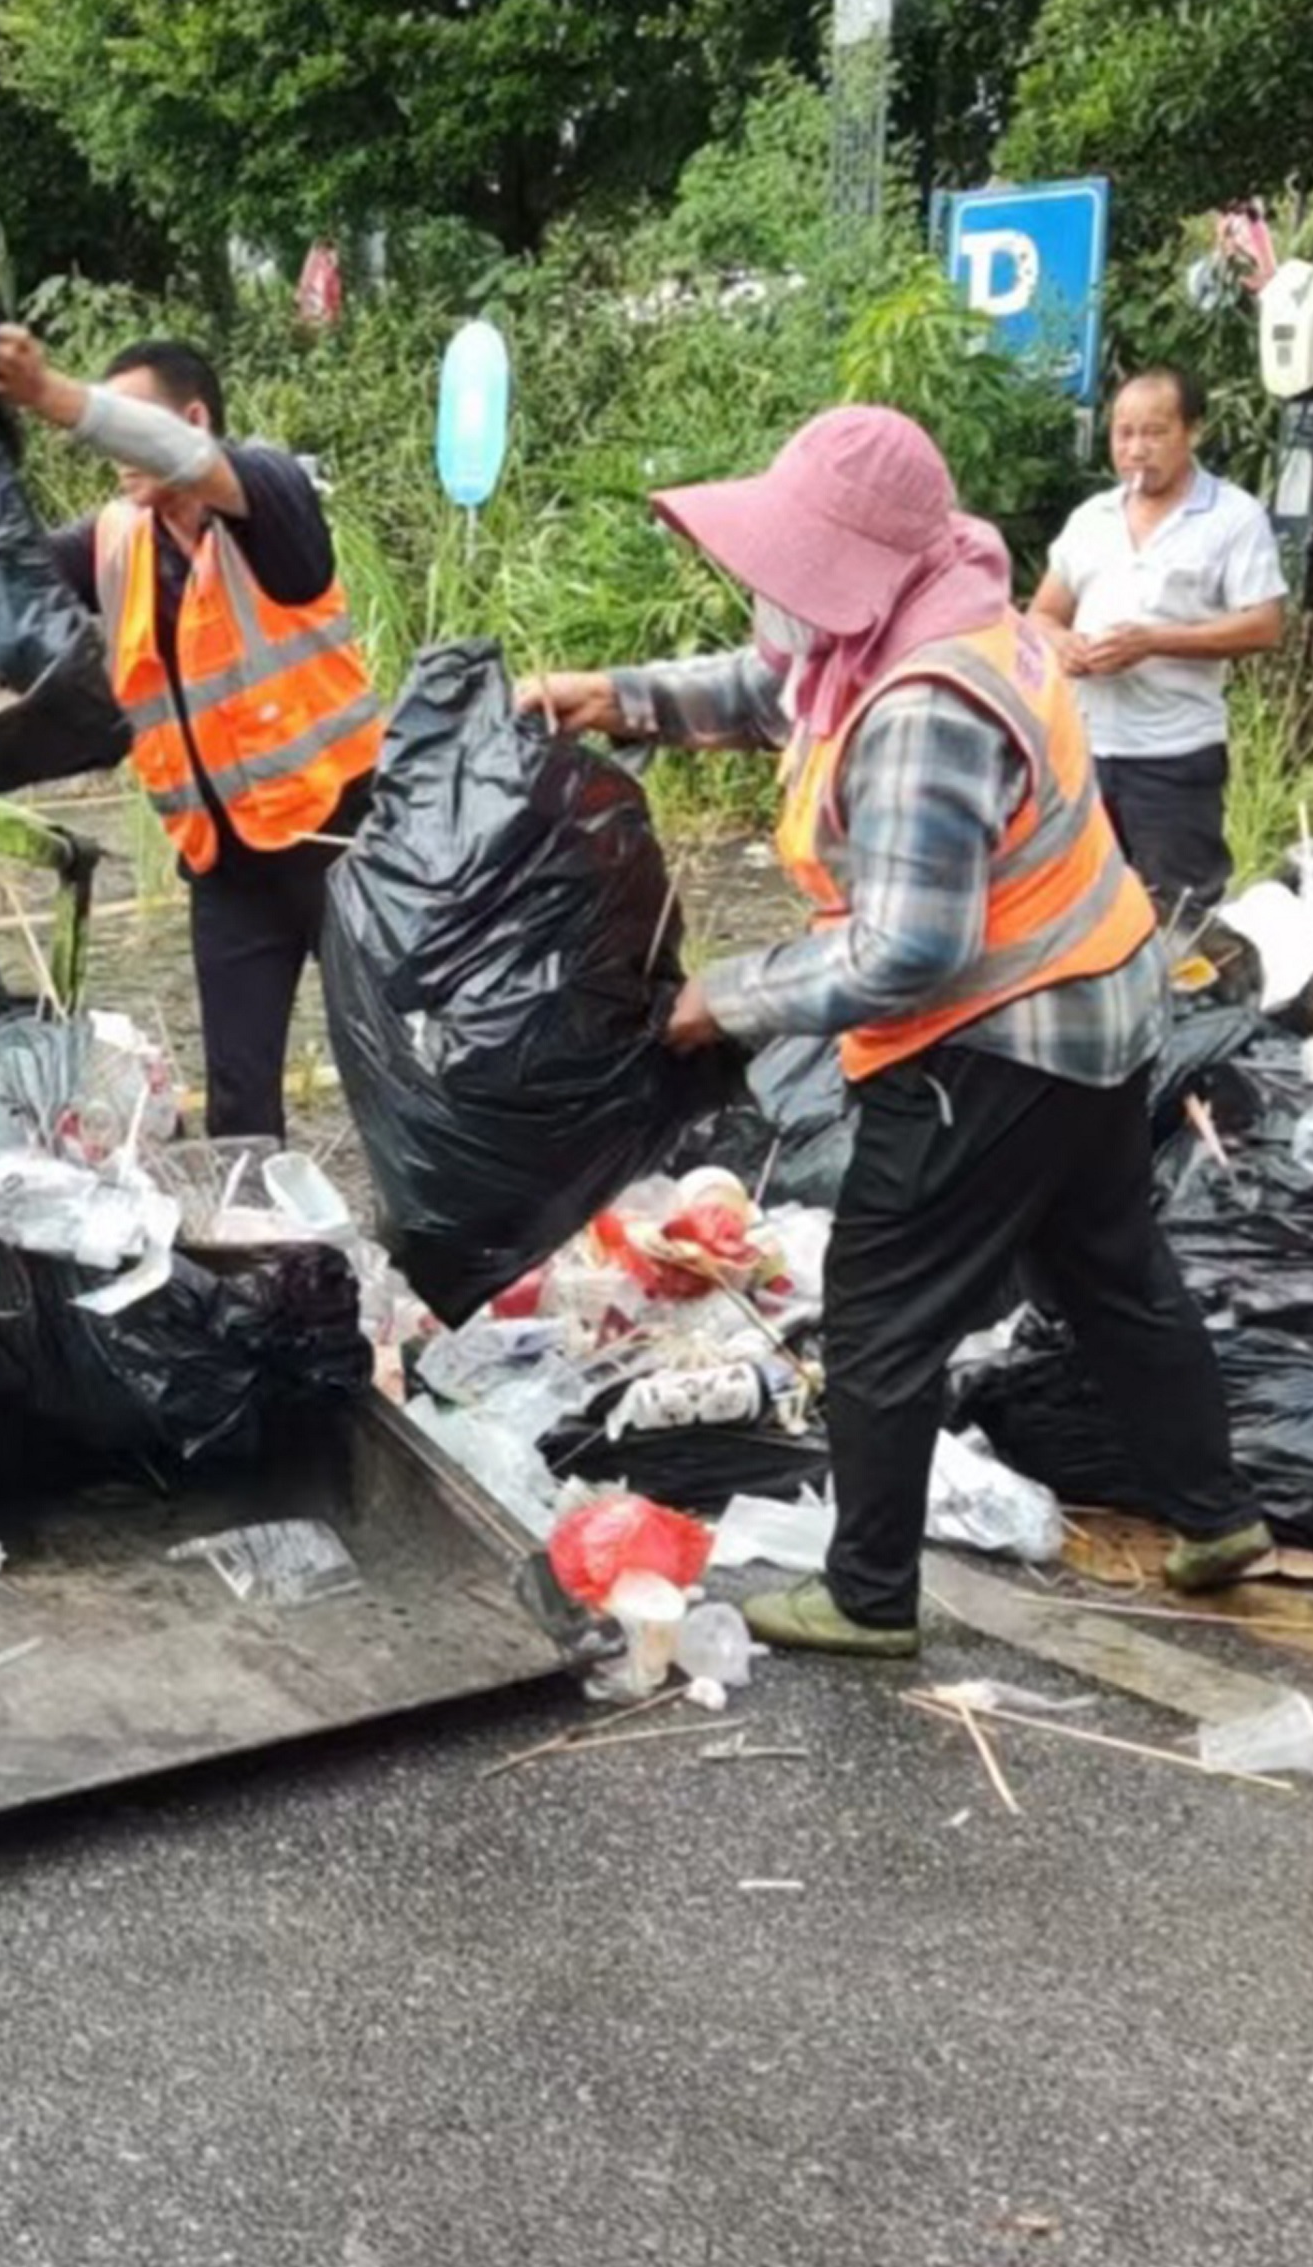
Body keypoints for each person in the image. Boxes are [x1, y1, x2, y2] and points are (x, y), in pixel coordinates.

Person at [521, 407, 1270, 1656]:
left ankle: (867, 1594)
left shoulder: (928, 703)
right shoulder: (946, 600)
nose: (776, 589)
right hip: (1098, 1001)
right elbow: (781, 683)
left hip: (996, 1040)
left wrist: (724, 999)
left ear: (853, 565)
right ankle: (1216, 1513)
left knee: (879, 1310)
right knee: (1111, 1268)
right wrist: (620, 698)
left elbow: (908, 951)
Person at [0, 326, 379, 1140]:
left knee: (398, 1072)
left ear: (194, 420)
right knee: (237, 1109)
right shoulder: (117, 539)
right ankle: (259, 1225)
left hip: (341, 845)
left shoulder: (272, 496)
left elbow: (197, 465)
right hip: (226, 867)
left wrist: (52, 395)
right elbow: (5, 579)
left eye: (126, 423)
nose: (112, 449)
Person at [1030, 368, 1290, 918]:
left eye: (1154, 433)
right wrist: (1063, 644)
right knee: (1079, 913)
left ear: (1192, 431)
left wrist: (1153, 641)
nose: (1135, 450)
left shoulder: (1232, 517)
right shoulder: (1092, 518)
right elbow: (1042, 614)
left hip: (1174, 756)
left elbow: (1264, 625)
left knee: (1179, 916)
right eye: (1123, 434)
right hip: (1083, 752)